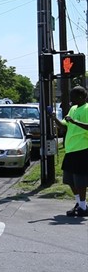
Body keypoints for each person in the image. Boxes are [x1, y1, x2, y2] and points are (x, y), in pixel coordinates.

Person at [52, 86, 88, 217]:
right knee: (69, 180)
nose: (71, 99)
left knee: (80, 180)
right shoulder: (72, 109)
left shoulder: (87, 109)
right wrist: (54, 118)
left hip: (82, 149)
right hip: (70, 149)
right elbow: (64, 126)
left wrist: (74, 121)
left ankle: (83, 207)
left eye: (73, 96)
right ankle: (80, 204)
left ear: (82, 97)